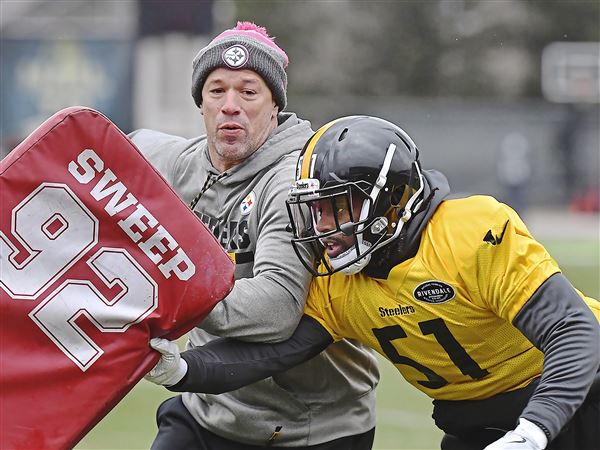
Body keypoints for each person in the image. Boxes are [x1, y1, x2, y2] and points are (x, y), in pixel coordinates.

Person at [145, 116, 600, 450]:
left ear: (385, 200)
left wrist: (534, 428)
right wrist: (185, 369)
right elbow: (274, 350)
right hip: (478, 421)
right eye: (315, 209)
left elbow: (576, 333)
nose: (322, 225)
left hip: (581, 392)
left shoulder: (469, 233)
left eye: (335, 206)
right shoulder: (338, 281)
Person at [132, 24, 379, 450]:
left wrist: (159, 293)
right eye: (216, 91)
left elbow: (275, 306)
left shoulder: (295, 181)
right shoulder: (180, 163)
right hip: (206, 408)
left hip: (311, 424)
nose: (231, 106)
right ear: (200, 104)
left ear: (274, 107)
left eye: (248, 92)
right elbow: (111, 150)